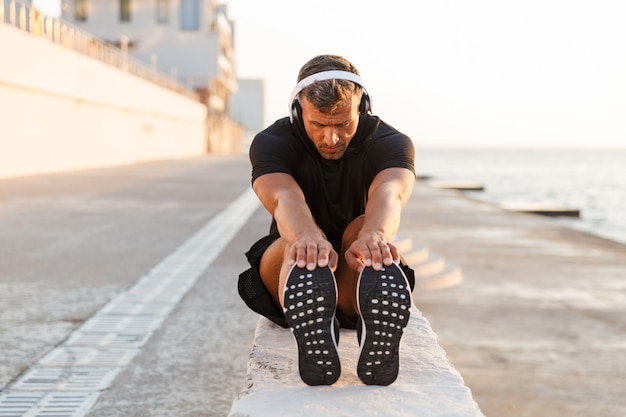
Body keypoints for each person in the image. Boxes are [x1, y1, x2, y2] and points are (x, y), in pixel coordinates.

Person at [238, 54, 416, 386]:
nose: (331, 138)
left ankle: (359, 311)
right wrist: (307, 237)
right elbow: (283, 196)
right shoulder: (272, 142)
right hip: (292, 268)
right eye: (319, 124)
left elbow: (390, 192)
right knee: (297, 246)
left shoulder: (391, 142)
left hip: (356, 271)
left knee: (360, 229)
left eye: (343, 124)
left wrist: (374, 235)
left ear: (362, 107)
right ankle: (322, 315)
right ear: (297, 113)